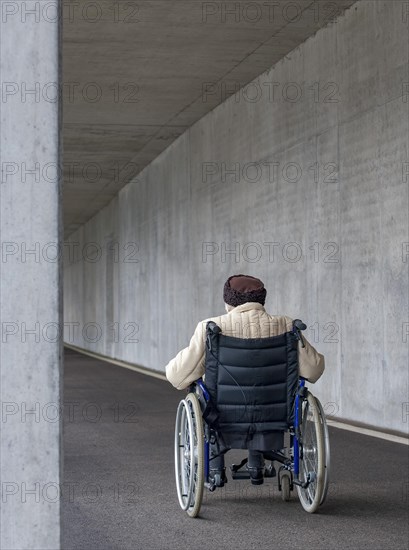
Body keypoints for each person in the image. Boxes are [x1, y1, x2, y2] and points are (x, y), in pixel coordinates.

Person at [165, 274, 325, 486]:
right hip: (275, 415)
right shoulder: (286, 326)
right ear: (261, 300)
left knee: (199, 392)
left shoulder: (211, 328)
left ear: (228, 301)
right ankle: (257, 465)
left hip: (222, 417)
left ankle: (215, 469)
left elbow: (177, 377)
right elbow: (314, 370)